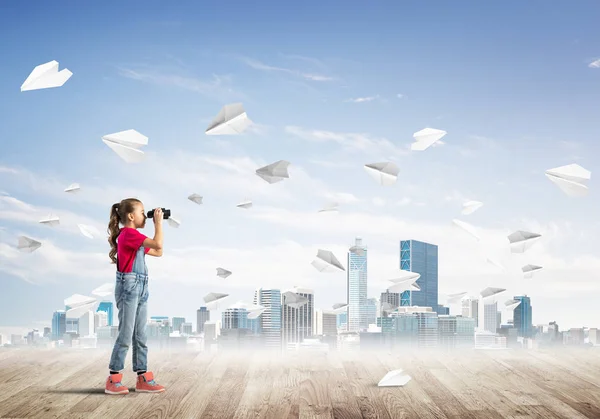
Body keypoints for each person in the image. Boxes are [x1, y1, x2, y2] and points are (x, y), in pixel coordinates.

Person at [104, 198, 166, 395]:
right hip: (129, 287)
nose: (145, 215)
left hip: (141, 287)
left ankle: (142, 377)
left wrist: (157, 225)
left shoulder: (136, 238)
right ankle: (113, 378)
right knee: (126, 333)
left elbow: (159, 251)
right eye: (142, 212)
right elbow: (157, 242)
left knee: (141, 335)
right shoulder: (129, 234)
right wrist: (158, 223)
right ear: (131, 216)